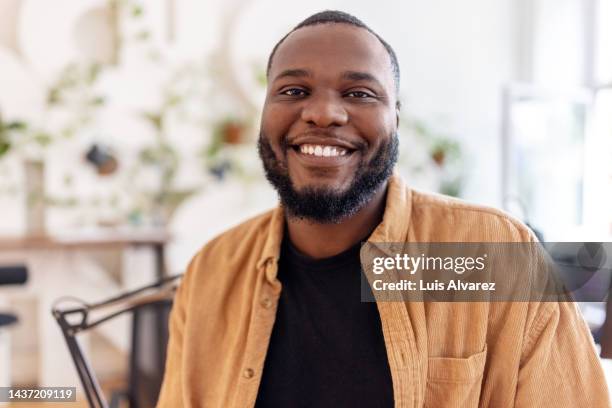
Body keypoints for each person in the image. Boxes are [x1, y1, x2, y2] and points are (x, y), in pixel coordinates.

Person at [157, 10, 609, 407]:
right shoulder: (212, 272)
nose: (323, 113)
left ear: (397, 118)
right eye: (294, 91)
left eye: (360, 93)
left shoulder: (493, 253)